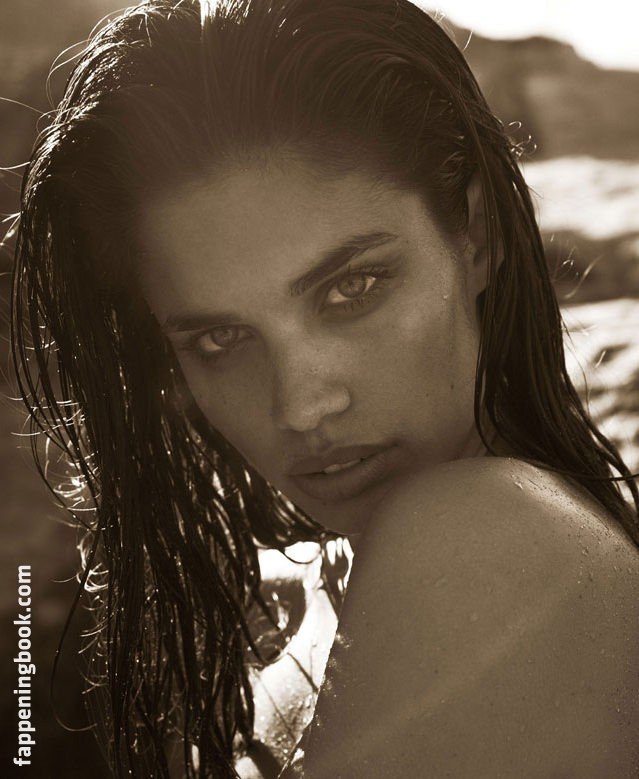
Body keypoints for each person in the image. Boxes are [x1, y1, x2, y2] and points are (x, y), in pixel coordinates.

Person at [10, 0, 639, 776]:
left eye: (353, 287)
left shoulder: (492, 538)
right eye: (219, 339)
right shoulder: (304, 582)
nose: (301, 405)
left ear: (476, 234)